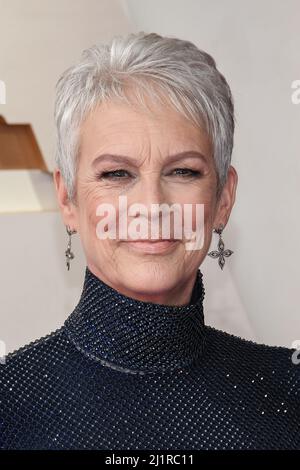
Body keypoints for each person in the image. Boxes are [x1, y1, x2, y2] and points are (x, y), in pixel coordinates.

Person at [0, 32, 299, 450]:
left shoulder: (289, 389)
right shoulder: (8, 403)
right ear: (68, 198)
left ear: (223, 199)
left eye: (183, 172)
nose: (151, 205)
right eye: (117, 174)